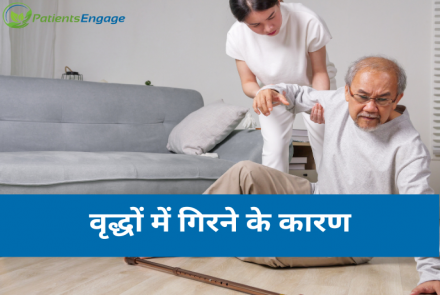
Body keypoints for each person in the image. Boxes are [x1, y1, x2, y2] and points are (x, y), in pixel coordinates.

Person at [204, 56, 439, 294]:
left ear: (397, 98)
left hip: (353, 237)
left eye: (382, 99)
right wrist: (271, 90)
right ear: (347, 92)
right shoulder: (338, 100)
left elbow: (419, 208)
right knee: (245, 171)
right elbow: (295, 93)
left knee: (273, 250)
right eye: (363, 96)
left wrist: (431, 272)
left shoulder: (409, 145)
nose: (370, 107)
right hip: (316, 197)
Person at [227, 0, 335, 173]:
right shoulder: (236, 35)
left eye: (271, 16)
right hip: (272, 92)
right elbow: (248, 82)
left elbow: (320, 72)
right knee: (274, 152)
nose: (269, 28)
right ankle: (273, 200)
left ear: (279, 1)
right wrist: (262, 93)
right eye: (255, 24)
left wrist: (321, 101)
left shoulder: (307, 20)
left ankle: (332, 198)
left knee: (325, 146)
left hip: (314, 88)